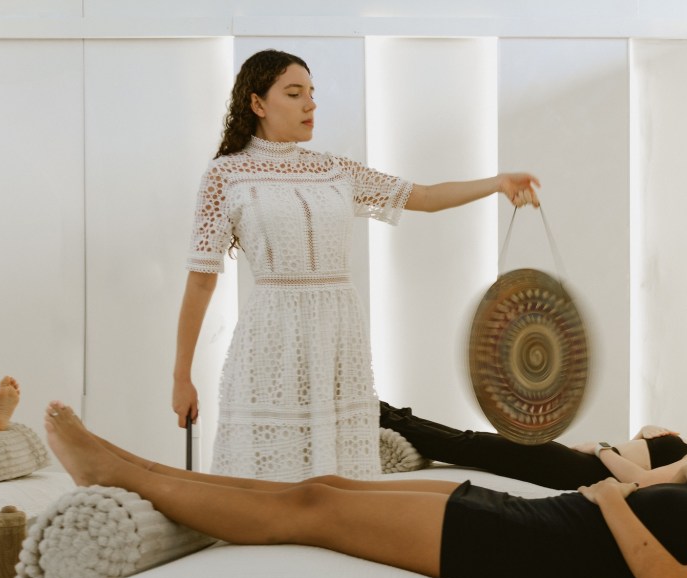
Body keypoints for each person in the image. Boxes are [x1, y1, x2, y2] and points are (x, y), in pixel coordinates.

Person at [44, 399, 687, 578]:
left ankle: (119, 470)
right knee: (322, 491)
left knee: (313, 507)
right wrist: (674, 480)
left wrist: (609, 504)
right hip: (530, 524)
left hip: (532, 550)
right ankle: (129, 466)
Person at [172, 49, 541, 482]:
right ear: (257, 104)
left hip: (338, 333)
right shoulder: (225, 176)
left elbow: (422, 197)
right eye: (294, 94)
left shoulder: (334, 170)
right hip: (270, 337)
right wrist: (182, 377)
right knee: (270, 477)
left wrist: (497, 183)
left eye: (312, 93)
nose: (310, 104)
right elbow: (200, 283)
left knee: (340, 480)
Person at [380, 401, 687, 490]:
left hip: (580, 471)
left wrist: (601, 448)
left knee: (476, 445)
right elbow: (641, 450)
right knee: (478, 444)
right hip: (578, 463)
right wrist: (647, 430)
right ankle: (393, 417)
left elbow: (640, 480)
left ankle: (387, 416)